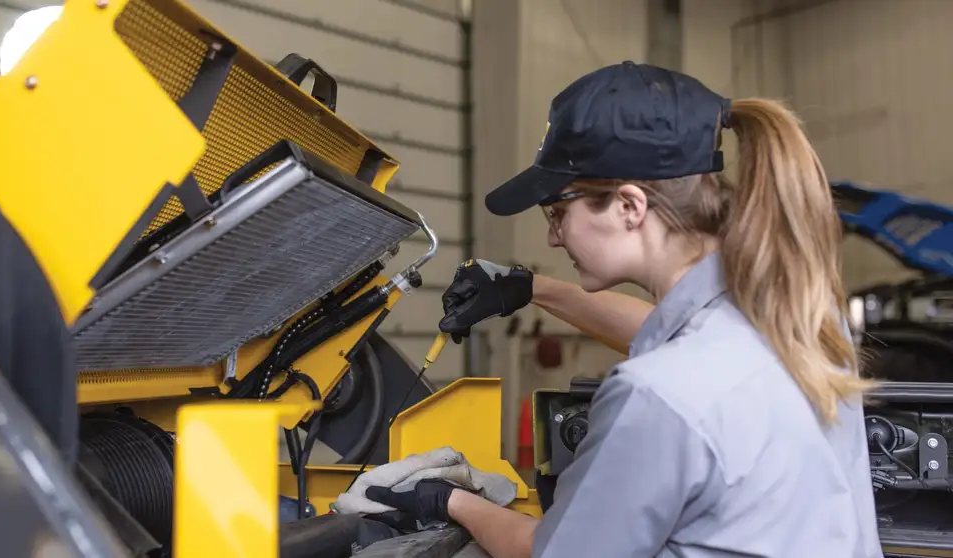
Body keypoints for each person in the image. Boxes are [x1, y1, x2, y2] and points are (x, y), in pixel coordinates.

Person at [363, 61, 883, 557]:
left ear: (631, 205)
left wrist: (448, 500)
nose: (551, 235)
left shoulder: (658, 395)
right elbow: (676, 341)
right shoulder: (800, 318)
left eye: (558, 211)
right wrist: (535, 289)